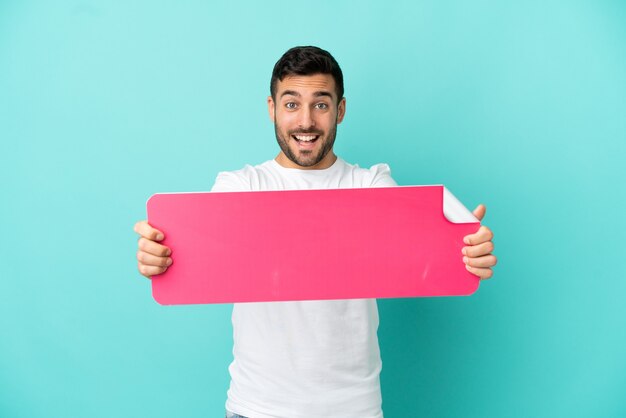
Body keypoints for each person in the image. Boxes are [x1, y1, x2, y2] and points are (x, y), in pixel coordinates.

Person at [133, 46, 497, 418]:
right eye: (291, 104)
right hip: (256, 408)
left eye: (320, 105)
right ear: (272, 108)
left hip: (354, 409)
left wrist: (467, 249)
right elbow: (199, 258)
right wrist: (160, 256)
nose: (305, 121)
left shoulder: (370, 185)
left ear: (340, 110)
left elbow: (424, 246)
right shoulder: (239, 187)